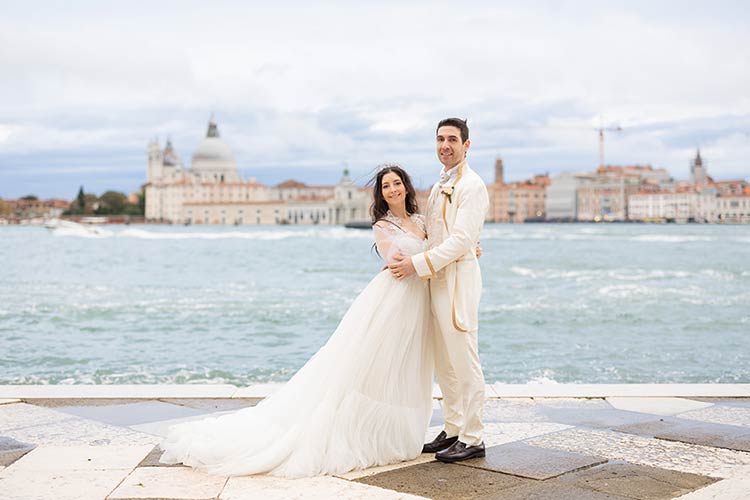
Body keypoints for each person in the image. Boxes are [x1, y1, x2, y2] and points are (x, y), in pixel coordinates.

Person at [159, 164, 435, 477]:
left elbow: (438, 250)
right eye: (386, 186)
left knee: (408, 366)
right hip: (393, 300)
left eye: (397, 183)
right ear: (381, 194)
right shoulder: (382, 226)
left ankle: (399, 431)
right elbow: (395, 264)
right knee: (375, 366)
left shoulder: (423, 220)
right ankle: (372, 432)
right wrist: (430, 258)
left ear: (407, 187)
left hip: (418, 300)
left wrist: (463, 251)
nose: (393, 190)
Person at [388, 117, 489, 463]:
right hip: (436, 281)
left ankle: (474, 437)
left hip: (458, 281)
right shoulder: (439, 184)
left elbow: (461, 238)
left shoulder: (472, 185)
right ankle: (453, 428)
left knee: (464, 359)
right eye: (440, 139)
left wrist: (417, 264)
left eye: (452, 139)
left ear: (466, 145)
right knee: (445, 362)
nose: (445, 145)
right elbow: (436, 234)